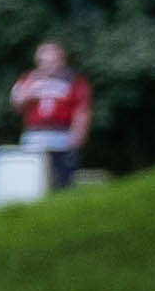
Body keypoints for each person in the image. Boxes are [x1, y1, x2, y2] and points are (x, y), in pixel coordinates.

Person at [9, 37, 92, 182]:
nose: (47, 66)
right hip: (34, 135)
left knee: (62, 177)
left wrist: (78, 134)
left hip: (62, 135)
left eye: (51, 61)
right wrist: (27, 94)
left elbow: (81, 111)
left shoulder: (74, 81)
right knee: (34, 178)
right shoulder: (29, 79)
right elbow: (16, 103)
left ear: (61, 60)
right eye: (43, 61)